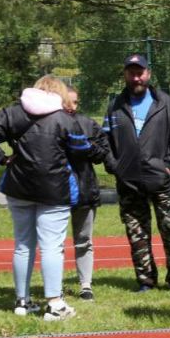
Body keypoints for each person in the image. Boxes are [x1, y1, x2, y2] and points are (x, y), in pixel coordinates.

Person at [0, 75, 103, 321]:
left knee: (23, 245)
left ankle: (22, 302)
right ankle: (55, 304)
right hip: (54, 189)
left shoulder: (12, 113)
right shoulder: (64, 118)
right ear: (60, 93)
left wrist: (2, 158)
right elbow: (80, 148)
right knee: (52, 246)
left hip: (18, 187)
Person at [102, 53, 170, 293]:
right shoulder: (115, 105)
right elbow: (104, 140)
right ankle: (146, 280)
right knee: (137, 234)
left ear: (148, 74)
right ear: (125, 75)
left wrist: (169, 165)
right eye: (131, 72)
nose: (136, 77)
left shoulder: (165, 103)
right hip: (129, 182)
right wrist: (115, 165)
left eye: (140, 72)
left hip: (161, 181)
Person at [64, 87, 110, 300]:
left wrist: (86, 147)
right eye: (67, 102)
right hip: (54, 192)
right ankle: (53, 287)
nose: (70, 107)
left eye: (74, 102)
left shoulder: (88, 123)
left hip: (84, 189)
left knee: (84, 239)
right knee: (52, 243)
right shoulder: (47, 124)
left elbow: (102, 153)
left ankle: (85, 284)